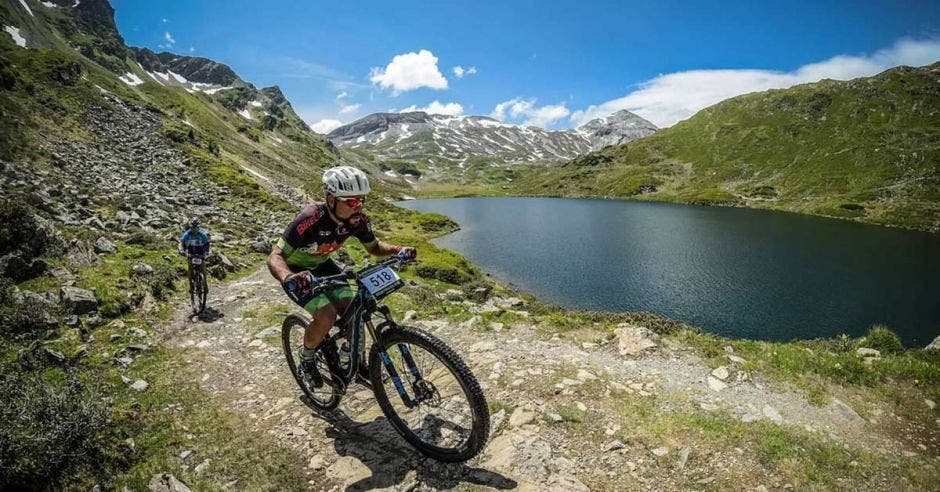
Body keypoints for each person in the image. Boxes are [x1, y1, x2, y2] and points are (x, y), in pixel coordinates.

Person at [267, 166, 416, 387]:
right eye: (351, 202)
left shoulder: (358, 221)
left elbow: (374, 248)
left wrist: (397, 250)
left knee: (355, 309)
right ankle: (306, 358)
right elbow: (275, 256)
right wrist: (288, 277)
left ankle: (354, 361)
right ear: (330, 200)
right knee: (326, 316)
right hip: (298, 272)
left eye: (361, 201)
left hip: (324, 266)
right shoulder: (310, 218)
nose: (358, 207)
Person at [178, 218, 211, 293]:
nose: (194, 230)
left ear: (198, 228)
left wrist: (207, 254)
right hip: (191, 251)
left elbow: (207, 245)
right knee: (190, 267)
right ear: (190, 227)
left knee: (203, 267)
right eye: (192, 228)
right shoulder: (187, 234)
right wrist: (181, 250)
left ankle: (205, 284)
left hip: (200, 252)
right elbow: (181, 243)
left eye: (196, 228)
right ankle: (191, 285)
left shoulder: (202, 235)